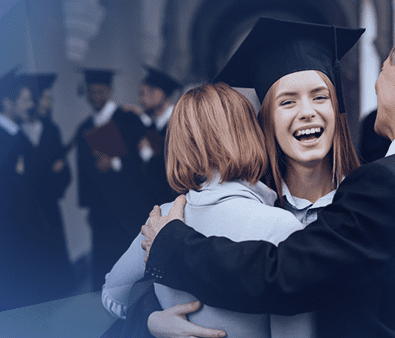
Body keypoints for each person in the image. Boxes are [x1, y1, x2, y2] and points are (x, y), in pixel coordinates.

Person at [139, 19, 395, 338]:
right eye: (287, 102)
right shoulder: (230, 201)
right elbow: (142, 288)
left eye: (320, 96)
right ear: (266, 119)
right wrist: (149, 322)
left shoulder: (376, 190)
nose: (307, 111)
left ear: (336, 109)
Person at [102, 82, 304, 337]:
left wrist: (152, 319)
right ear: (251, 135)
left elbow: (111, 295)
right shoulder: (282, 227)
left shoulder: (160, 221)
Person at [74, 68, 149, 290]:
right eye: (91, 92)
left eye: (99, 91)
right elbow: (83, 172)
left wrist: (115, 163)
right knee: (103, 260)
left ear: (109, 90)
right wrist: (88, 206)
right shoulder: (84, 128)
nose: (95, 96)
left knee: (127, 256)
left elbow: (144, 159)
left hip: (128, 203)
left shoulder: (127, 119)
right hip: (100, 207)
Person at [18, 72, 75, 297]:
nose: (48, 103)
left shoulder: (51, 130)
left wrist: (52, 175)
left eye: (50, 99)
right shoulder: (16, 133)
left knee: (54, 259)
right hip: (24, 210)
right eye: (45, 98)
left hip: (48, 206)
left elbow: (63, 171)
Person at [132, 65, 182, 209]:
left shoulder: (177, 125)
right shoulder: (156, 127)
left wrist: (147, 155)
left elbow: (170, 169)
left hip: (172, 204)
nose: (140, 100)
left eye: (143, 93)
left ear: (158, 93)